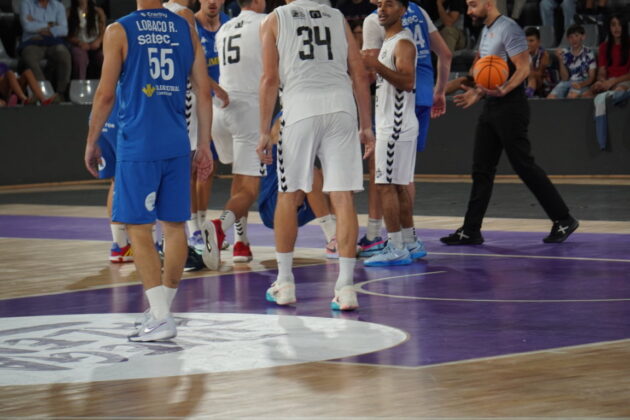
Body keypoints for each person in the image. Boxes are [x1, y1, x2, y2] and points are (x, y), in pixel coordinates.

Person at [84, 0, 213, 341]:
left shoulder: (119, 30)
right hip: (176, 143)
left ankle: (159, 316)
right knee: (174, 228)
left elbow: (105, 95)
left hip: (139, 144)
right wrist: (203, 144)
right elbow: (203, 90)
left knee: (138, 229)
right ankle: (162, 310)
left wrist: (91, 140)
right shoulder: (185, 27)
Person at [256, 0, 375, 310]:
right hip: (341, 107)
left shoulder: (275, 18)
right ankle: (346, 288)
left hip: (300, 108)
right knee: (343, 197)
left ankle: (284, 282)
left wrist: (263, 131)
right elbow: (360, 74)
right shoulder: (336, 16)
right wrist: (366, 125)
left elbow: (269, 79)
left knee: (288, 193)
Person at [441, 0, 578, 245]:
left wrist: (504, 89)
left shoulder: (509, 28)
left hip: (511, 106)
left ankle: (564, 218)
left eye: (473, 5)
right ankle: (471, 229)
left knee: (523, 165)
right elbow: (483, 73)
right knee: (481, 168)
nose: (469, 11)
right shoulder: (486, 31)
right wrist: (477, 92)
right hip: (492, 105)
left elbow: (523, 68)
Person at [359, 0, 451, 258]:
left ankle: (396, 246)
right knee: (399, 184)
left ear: (402, 10)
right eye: (381, 5)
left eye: (389, 5)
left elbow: (407, 81)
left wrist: (375, 65)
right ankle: (410, 241)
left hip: (395, 123)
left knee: (387, 185)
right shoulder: (391, 40)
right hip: (401, 119)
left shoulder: (402, 42)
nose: (382, 9)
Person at [201, 0, 267, 268]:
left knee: (239, 179)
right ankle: (219, 226)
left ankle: (241, 242)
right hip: (249, 109)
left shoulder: (225, 28)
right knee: (250, 189)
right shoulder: (267, 22)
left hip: (222, 110)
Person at [258, 112, 338, 255]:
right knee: (310, 172)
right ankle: (332, 238)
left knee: (334, 173)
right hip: (276, 206)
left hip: (300, 200)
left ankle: (339, 235)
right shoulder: (286, 119)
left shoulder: (317, 114)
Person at [189, 0, 231, 253]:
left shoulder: (230, 24)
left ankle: (203, 228)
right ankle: (194, 229)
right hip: (195, 102)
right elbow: (189, 66)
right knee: (194, 169)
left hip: (225, 104)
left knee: (209, 169)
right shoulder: (189, 23)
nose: (212, 2)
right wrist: (214, 87)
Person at [583, 14, 630, 149]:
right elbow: (602, 71)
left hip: (625, 80)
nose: (617, 28)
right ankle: (596, 139)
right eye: (613, 25)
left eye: (619, 25)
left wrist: (613, 81)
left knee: (618, 91)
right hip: (610, 82)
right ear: (609, 27)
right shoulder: (604, 47)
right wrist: (600, 81)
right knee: (587, 95)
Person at [18, 0, 71, 99]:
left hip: (53, 42)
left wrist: (35, 22)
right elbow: (27, 27)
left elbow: (64, 30)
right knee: (29, 56)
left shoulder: (58, 6)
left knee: (64, 54)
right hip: (32, 42)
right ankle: (44, 92)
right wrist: (52, 24)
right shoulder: (26, 4)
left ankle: (61, 93)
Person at [547, 24, 596, 99]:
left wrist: (581, 85)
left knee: (572, 96)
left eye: (576, 36)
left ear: (583, 37)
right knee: (551, 98)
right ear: (567, 39)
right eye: (571, 37)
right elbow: (565, 78)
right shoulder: (565, 53)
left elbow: (591, 77)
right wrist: (560, 60)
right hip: (568, 81)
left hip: (582, 81)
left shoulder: (589, 53)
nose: (574, 40)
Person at [66, 0, 106, 79]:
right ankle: (80, 85)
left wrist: (98, 41)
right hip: (79, 44)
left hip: (95, 44)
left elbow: (103, 31)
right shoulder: (69, 12)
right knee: (80, 57)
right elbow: (67, 34)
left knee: (104, 57)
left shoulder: (98, 11)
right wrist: (79, 42)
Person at [524, 26, 557, 98]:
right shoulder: (522, 55)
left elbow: (540, 74)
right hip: (528, 82)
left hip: (545, 83)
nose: (528, 44)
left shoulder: (544, 55)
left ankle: (527, 97)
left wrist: (530, 68)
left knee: (532, 76)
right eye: (526, 41)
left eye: (531, 41)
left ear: (538, 42)